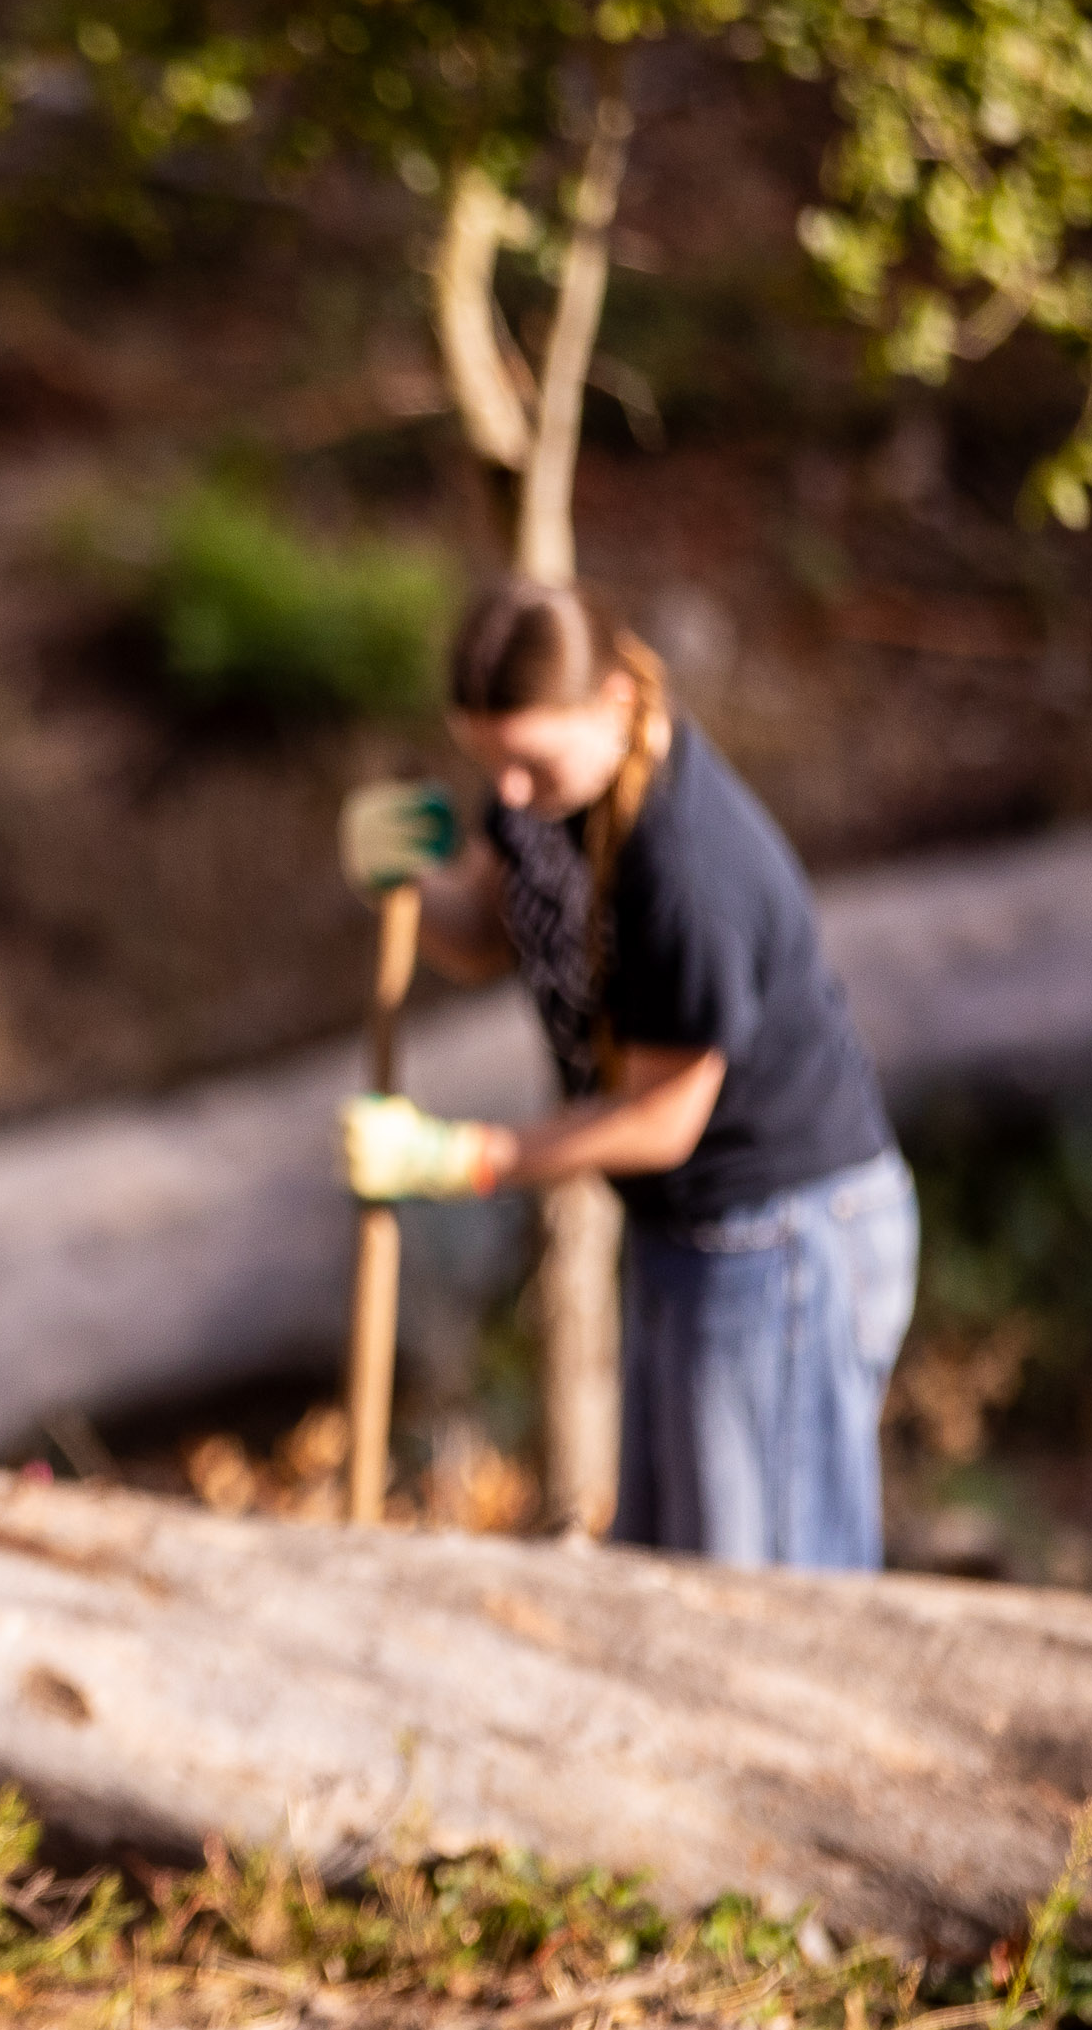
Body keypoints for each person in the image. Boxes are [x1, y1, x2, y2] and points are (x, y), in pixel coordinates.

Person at [334, 574, 915, 1570]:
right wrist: (394, 879)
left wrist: (468, 1156)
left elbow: (661, 1118)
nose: (508, 795)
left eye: (528, 765)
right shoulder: (551, 790)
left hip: (783, 1242)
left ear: (610, 706)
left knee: (764, 1606)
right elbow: (486, 929)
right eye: (488, 763)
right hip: (685, 1234)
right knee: (672, 1579)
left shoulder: (689, 866)